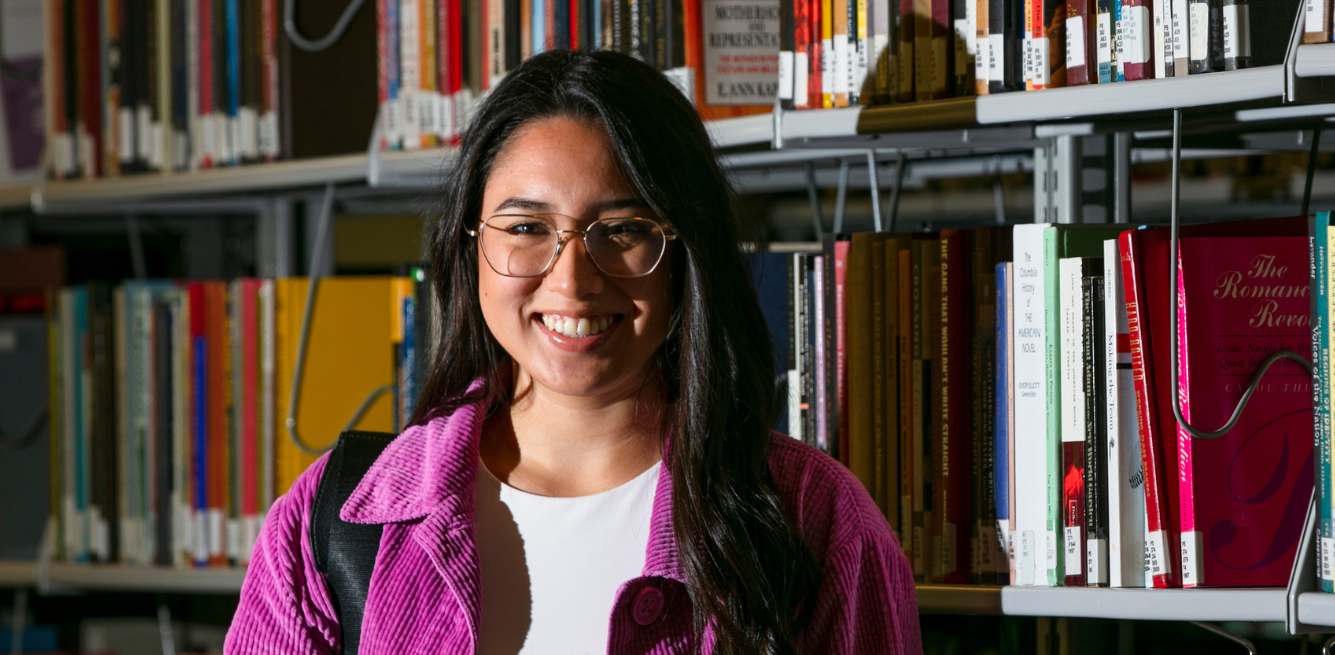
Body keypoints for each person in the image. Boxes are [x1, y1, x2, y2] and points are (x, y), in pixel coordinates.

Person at [226, 50, 920, 655]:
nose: (572, 280)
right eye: (526, 225)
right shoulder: (334, 519)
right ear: (471, 248)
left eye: (621, 228)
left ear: (685, 252)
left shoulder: (816, 521)